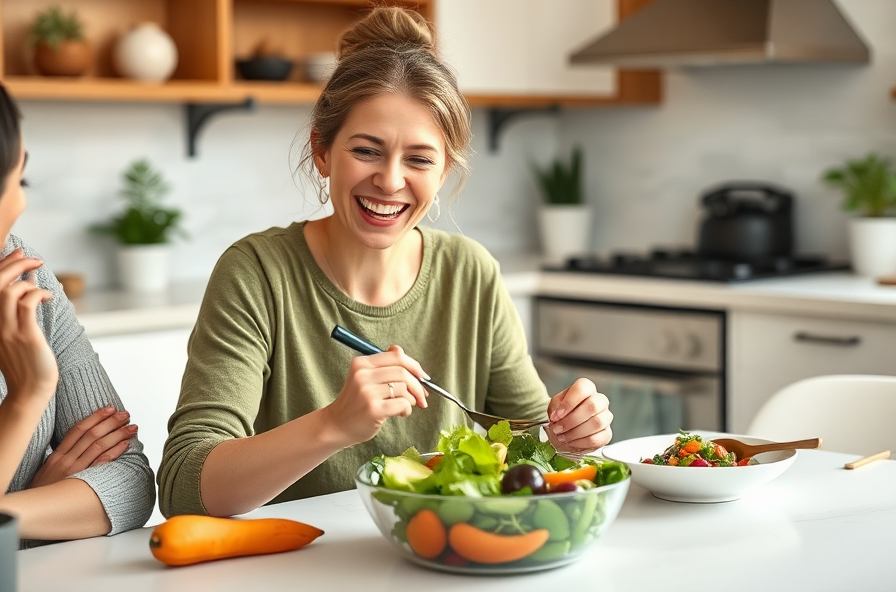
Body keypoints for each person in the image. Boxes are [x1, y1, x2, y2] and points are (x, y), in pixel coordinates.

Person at [158, 6, 613, 518]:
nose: (391, 181)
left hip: (443, 558)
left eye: (419, 159)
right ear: (323, 152)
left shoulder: (471, 273)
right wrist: (334, 424)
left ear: (443, 172)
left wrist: (570, 438)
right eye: (367, 151)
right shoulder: (257, 273)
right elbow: (183, 486)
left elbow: (533, 448)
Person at [0, 82, 155, 547]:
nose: (20, 202)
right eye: (16, 180)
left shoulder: (25, 275)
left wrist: (12, 511)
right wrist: (27, 395)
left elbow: (131, 482)